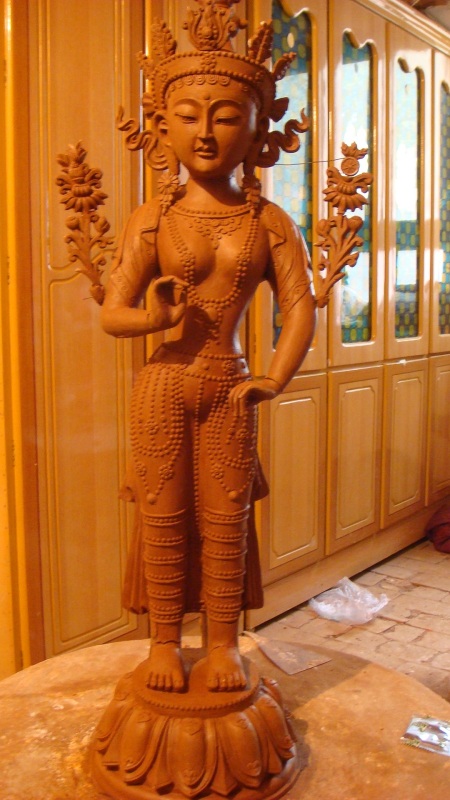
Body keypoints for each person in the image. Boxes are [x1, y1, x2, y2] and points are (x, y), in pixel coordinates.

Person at [100, 0, 316, 694]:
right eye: (189, 116)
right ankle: (164, 644)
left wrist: (274, 377)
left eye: (225, 116)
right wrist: (154, 318)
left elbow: (300, 304)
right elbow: (112, 313)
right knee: (163, 518)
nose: (205, 132)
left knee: (226, 519)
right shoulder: (151, 218)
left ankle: (222, 645)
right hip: (163, 385)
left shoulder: (269, 221)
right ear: (162, 127)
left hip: (232, 384)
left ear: (257, 129)